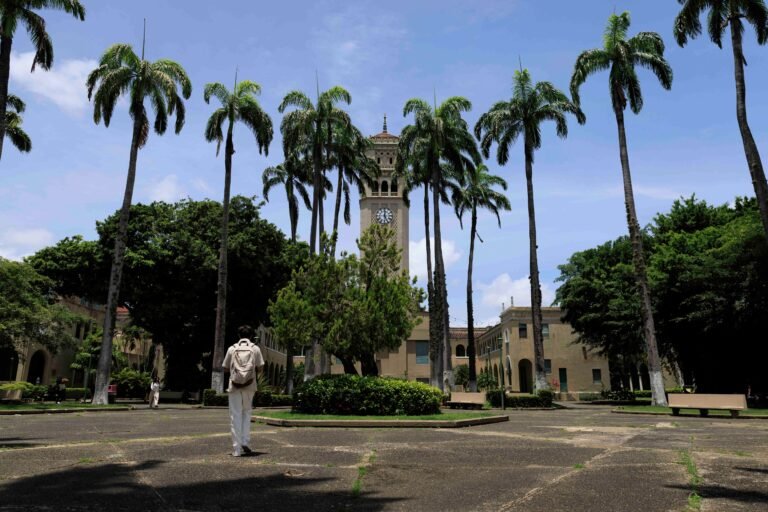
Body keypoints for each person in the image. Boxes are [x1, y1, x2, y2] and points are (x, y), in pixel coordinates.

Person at [222, 325, 264, 457]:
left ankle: (236, 449)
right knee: (246, 413)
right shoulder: (255, 349)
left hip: (234, 386)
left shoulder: (232, 349)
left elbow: (225, 368)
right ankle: (245, 441)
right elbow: (261, 367)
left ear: (238, 335)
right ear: (251, 336)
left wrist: (237, 372)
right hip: (250, 386)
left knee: (235, 416)